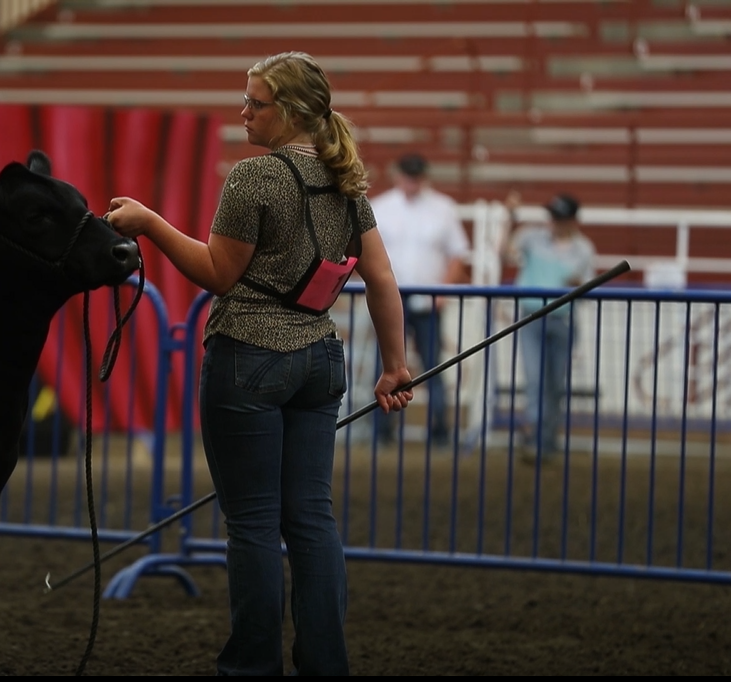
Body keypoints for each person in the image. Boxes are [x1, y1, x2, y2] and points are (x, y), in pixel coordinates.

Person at [105, 51, 413, 677]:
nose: (243, 112)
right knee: (311, 519)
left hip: (249, 357)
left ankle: (252, 667)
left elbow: (219, 274)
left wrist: (150, 223)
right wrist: (393, 367)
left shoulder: (254, 178)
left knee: (250, 524)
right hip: (321, 360)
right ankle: (326, 664)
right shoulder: (344, 179)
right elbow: (381, 277)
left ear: (293, 112)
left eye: (256, 103)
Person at [368, 153, 470, 446]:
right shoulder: (381, 207)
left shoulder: (443, 208)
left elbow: (457, 254)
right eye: (408, 175)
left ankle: (438, 431)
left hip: (427, 300)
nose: (412, 181)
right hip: (392, 299)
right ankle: (382, 431)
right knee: (386, 365)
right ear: (398, 175)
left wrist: (443, 289)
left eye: (416, 176)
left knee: (431, 366)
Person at [501, 191, 595, 463]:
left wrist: (576, 284)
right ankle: (538, 437)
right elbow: (506, 252)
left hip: (562, 318)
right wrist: (509, 218)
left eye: (560, 217)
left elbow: (585, 284)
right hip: (532, 316)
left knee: (554, 382)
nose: (554, 222)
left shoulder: (583, 249)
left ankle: (545, 437)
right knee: (536, 379)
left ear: (572, 221)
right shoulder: (531, 237)